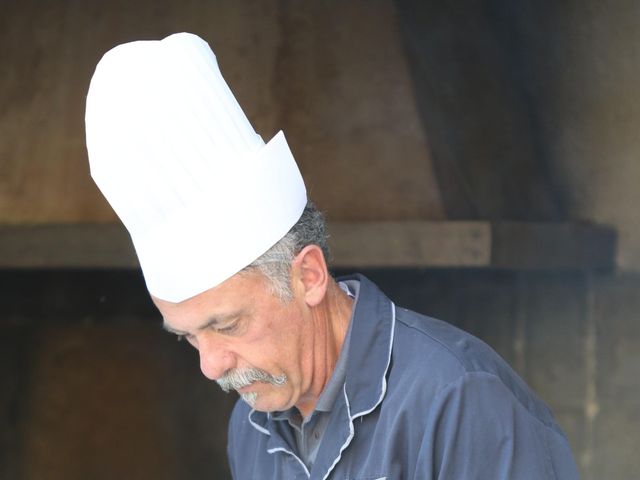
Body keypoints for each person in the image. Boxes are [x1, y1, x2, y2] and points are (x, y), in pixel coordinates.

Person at [85, 32, 580, 479]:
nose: (211, 366)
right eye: (190, 338)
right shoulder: (251, 423)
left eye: (228, 325)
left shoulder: (459, 399)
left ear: (309, 275)